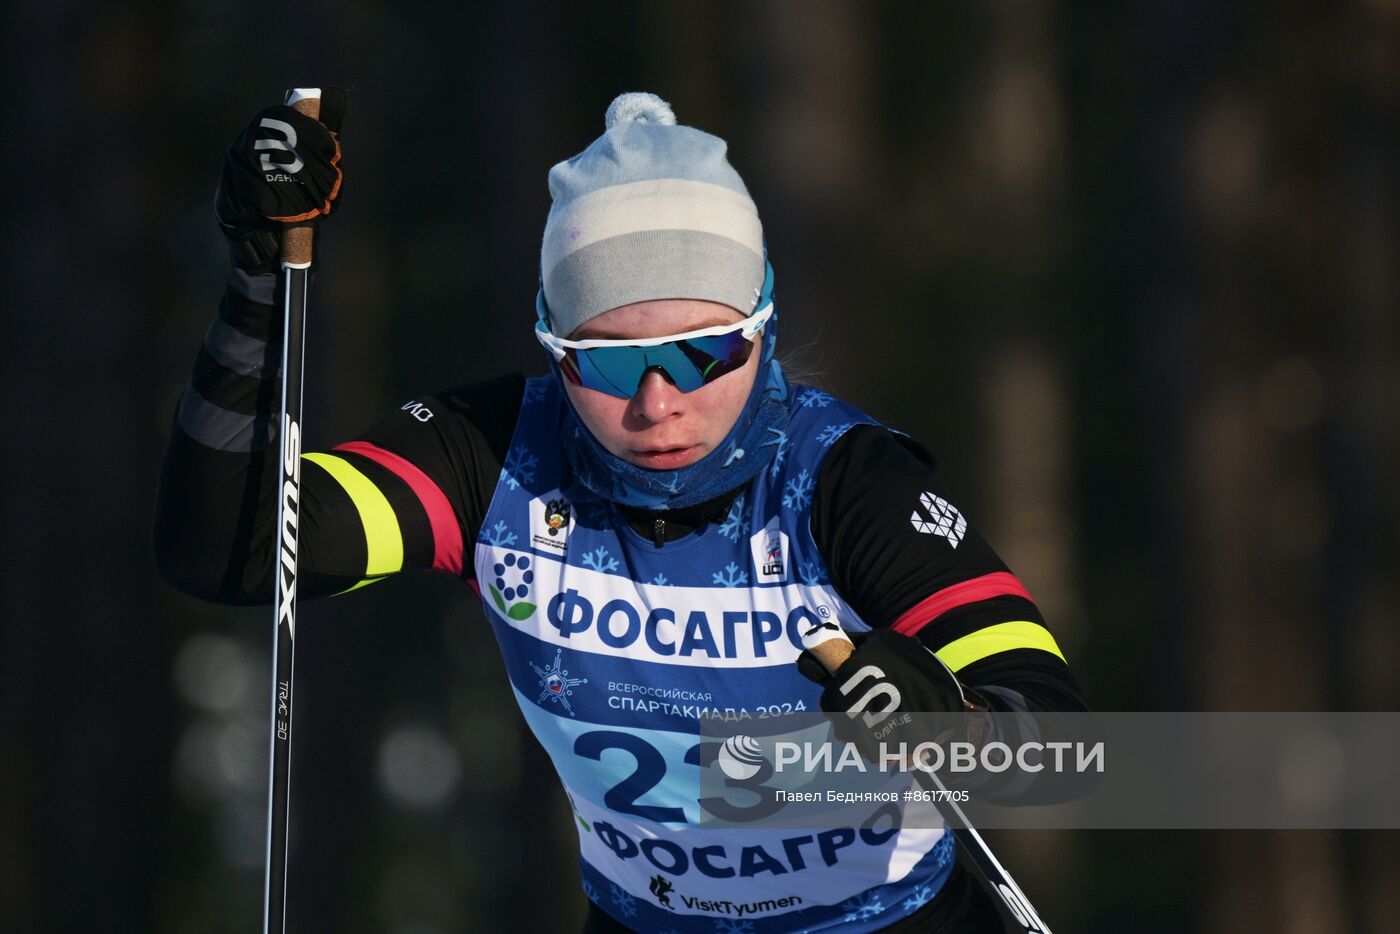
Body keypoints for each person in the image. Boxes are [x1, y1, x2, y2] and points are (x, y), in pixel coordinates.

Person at [156, 90, 1089, 933]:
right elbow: (230, 553)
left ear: (760, 328)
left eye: (699, 354)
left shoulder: (842, 481)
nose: (654, 404)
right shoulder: (497, 457)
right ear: (553, 352)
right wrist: (253, 285)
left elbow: (1053, 739)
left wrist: (956, 725)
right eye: (602, 361)